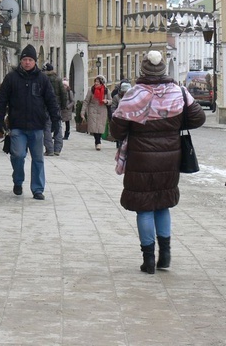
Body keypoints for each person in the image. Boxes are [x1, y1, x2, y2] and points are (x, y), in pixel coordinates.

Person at [110, 51, 205, 274]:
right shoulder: (178, 92)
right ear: (164, 70)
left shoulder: (133, 95)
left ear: (143, 70)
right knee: (162, 203)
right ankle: (166, 255)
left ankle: (148, 260)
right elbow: (198, 118)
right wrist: (174, 123)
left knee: (144, 207)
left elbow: (116, 130)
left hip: (140, 159)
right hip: (171, 158)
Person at [0, 45, 61, 200]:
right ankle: (18, 181)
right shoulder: (12, 78)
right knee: (18, 155)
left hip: (37, 126)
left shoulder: (42, 79)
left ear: (35, 62)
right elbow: (2, 98)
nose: (27, 62)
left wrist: (56, 121)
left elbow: (51, 100)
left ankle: (37, 189)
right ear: (21, 61)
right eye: (24, 59)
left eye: (30, 60)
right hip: (17, 125)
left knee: (38, 158)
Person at [80, 74, 111, 150]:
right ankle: (98, 142)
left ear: (101, 83)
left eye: (98, 82)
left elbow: (111, 101)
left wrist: (106, 101)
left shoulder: (106, 91)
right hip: (92, 110)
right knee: (94, 127)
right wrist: (82, 112)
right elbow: (86, 101)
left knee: (100, 127)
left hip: (102, 110)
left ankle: (98, 141)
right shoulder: (91, 90)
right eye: (95, 81)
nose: (96, 83)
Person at [42, 63, 67, 156]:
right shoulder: (58, 79)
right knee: (58, 126)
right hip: (57, 106)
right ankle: (57, 148)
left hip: (45, 106)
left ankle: (49, 149)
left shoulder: (43, 79)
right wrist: (63, 105)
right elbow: (63, 93)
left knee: (47, 127)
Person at [111, 81, 132, 148]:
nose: (126, 93)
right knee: (121, 133)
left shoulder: (132, 97)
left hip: (129, 118)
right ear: (122, 91)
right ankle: (119, 145)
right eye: (125, 91)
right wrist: (115, 114)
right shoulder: (116, 97)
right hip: (120, 118)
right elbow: (113, 107)